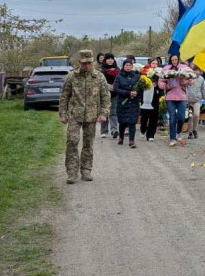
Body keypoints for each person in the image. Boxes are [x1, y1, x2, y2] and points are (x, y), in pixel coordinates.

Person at [59, 49, 110, 183]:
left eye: (89, 63)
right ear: (79, 63)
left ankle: (86, 170)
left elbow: (105, 96)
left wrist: (104, 113)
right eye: (84, 63)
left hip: (92, 116)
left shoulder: (99, 77)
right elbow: (64, 96)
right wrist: (63, 114)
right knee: (72, 142)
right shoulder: (72, 77)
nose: (87, 66)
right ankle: (71, 172)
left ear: (92, 62)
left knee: (88, 144)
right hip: (75, 115)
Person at [158, 54, 193, 145]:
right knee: (172, 117)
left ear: (178, 59)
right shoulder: (166, 68)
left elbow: (192, 80)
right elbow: (160, 82)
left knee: (181, 117)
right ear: (170, 60)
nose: (174, 61)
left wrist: (187, 81)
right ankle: (172, 138)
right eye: (172, 60)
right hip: (170, 97)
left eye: (176, 59)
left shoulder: (184, 68)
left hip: (181, 96)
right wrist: (166, 86)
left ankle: (178, 132)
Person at [113, 58, 148, 147]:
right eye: (126, 65)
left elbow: (141, 88)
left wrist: (137, 93)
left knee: (132, 122)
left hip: (134, 102)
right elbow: (116, 89)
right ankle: (121, 137)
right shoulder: (119, 76)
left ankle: (131, 140)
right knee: (122, 122)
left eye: (130, 65)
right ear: (123, 66)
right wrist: (128, 93)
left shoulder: (137, 76)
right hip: (123, 102)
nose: (128, 67)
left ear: (132, 66)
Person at [139, 57, 162, 142]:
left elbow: (162, 84)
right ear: (149, 64)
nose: (155, 65)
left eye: (156, 64)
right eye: (153, 63)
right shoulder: (143, 72)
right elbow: (140, 84)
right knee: (144, 115)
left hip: (155, 95)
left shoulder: (160, 72)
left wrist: (158, 85)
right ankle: (143, 127)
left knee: (154, 115)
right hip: (145, 95)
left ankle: (151, 134)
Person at [186, 66, 205, 139]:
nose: (197, 72)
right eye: (195, 70)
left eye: (198, 70)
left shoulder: (201, 79)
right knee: (190, 116)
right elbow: (185, 87)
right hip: (189, 100)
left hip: (197, 100)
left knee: (196, 115)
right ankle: (190, 132)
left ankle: (195, 130)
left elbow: (204, 90)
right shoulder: (189, 78)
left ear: (200, 71)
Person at [100, 53, 120, 139]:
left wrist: (114, 86)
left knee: (113, 112)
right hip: (104, 94)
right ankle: (104, 131)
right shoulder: (102, 71)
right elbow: (99, 82)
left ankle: (114, 130)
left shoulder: (118, 70)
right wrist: (107, 86)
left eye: (112, 58)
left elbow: (120, 80)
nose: (110, 60)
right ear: (105, 60)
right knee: (105, 112)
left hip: (114, 94)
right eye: (108, 59)